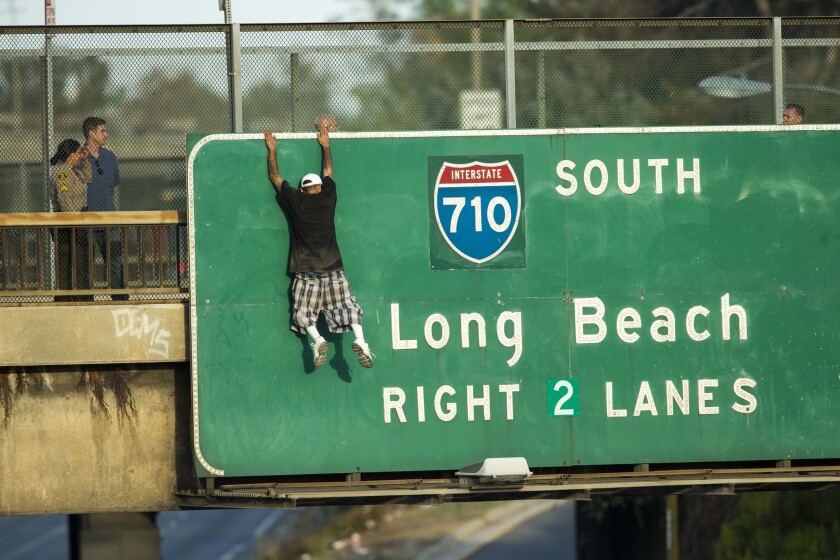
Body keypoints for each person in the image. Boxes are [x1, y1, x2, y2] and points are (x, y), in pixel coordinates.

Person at [262, 121, 374, 369]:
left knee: (303, 313)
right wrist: (326, 145)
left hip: (308, 272)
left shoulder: (296, 201)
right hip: (334, 268)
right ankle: (361, 340)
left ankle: (317, 340)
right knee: (348, 307)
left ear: (303, 189)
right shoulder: (329, 197)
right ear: (320, 188)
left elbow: (274, 177)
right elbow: (329, 170)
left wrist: (272, 149)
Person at [82, 116, 127, 300]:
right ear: (91, 134)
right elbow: (64, 181)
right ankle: (85, 301)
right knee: (86, 265)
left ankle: (120, 301)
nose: (106, 134)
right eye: (103, 131)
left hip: (110, 221)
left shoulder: (110, 157)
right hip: (86, 223)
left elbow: (114, 181)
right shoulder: (78, 158)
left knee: (115, 263)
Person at [49, 138, 92, 302]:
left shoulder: (75, 171)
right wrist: (75, 221)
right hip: (66, 223)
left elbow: (88, 178)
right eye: (78, 153)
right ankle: (64, 298)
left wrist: (86, 161)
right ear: (71, 154)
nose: (80, 157)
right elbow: (65, 200)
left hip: (79, 221)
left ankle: (81, 296)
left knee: (81, 261)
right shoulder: (61, 173)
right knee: (65, 262)